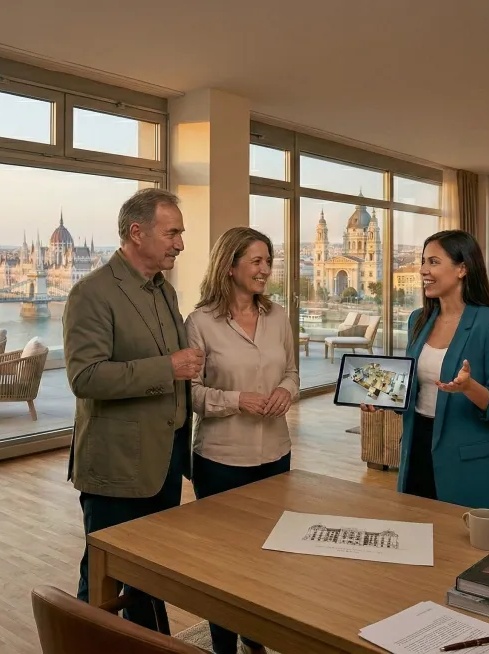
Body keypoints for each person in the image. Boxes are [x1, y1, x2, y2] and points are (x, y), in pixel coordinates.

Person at [63, 187, 204, 633]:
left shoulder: (164, 291)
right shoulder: (91, 293)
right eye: (173, 232)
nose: (180, 243)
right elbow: (85, 378)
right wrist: (169, 366)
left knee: (150, 574)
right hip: (117, 466)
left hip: (164, 461)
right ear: (136, 232)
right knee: (104, 579)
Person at [185, 227, 297, 654]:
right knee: (226, 564)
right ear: (229, 266)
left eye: (268, 261)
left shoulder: (278, 316)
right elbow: (191, 393)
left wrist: (287, 391)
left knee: (267, 557)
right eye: (256, 261)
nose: (265, 269)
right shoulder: (199, 323)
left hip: (275, 456)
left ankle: (257, 636)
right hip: (220, 461)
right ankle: (223, 646)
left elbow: (292, 372)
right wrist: (237, 400)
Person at [361, 229, 489, 510]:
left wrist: (469, 387)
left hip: (464, 460)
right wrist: (382, 397)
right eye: (423, 262)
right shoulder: (418, 320)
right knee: (414, 535)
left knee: (461, 550)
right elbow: (414, 388)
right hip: (416, 446)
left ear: (462, 268)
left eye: (433, 262)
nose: (423, 270)